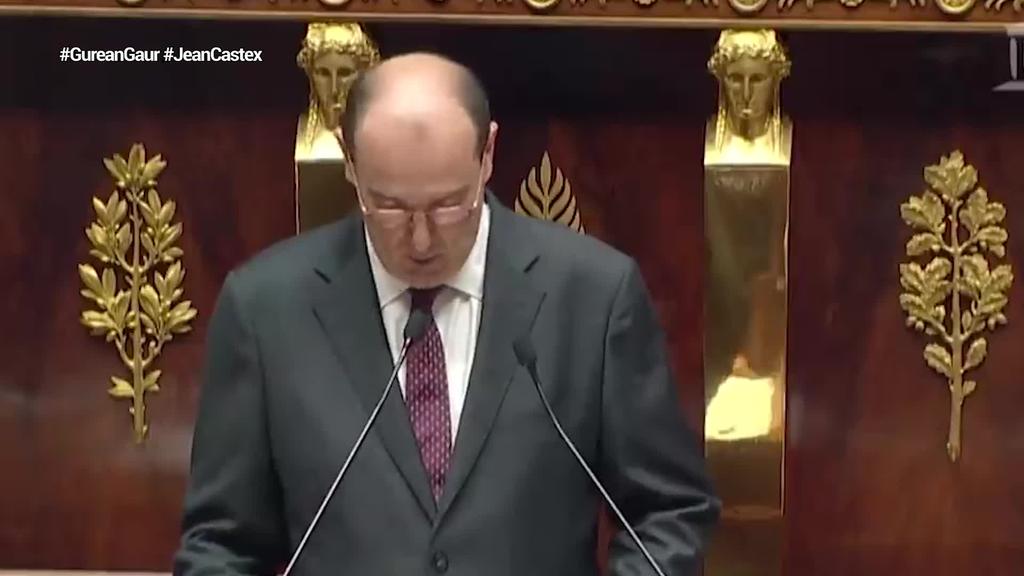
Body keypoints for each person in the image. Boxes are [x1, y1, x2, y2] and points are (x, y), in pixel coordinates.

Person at [173, 51, 720, 576]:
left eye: (448, 204)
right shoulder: (265, 309)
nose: (421, 240)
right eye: (390, 206)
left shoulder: (593, 297)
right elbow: (222, 546)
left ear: (488, 155)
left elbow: (667, 513)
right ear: (350, 162)